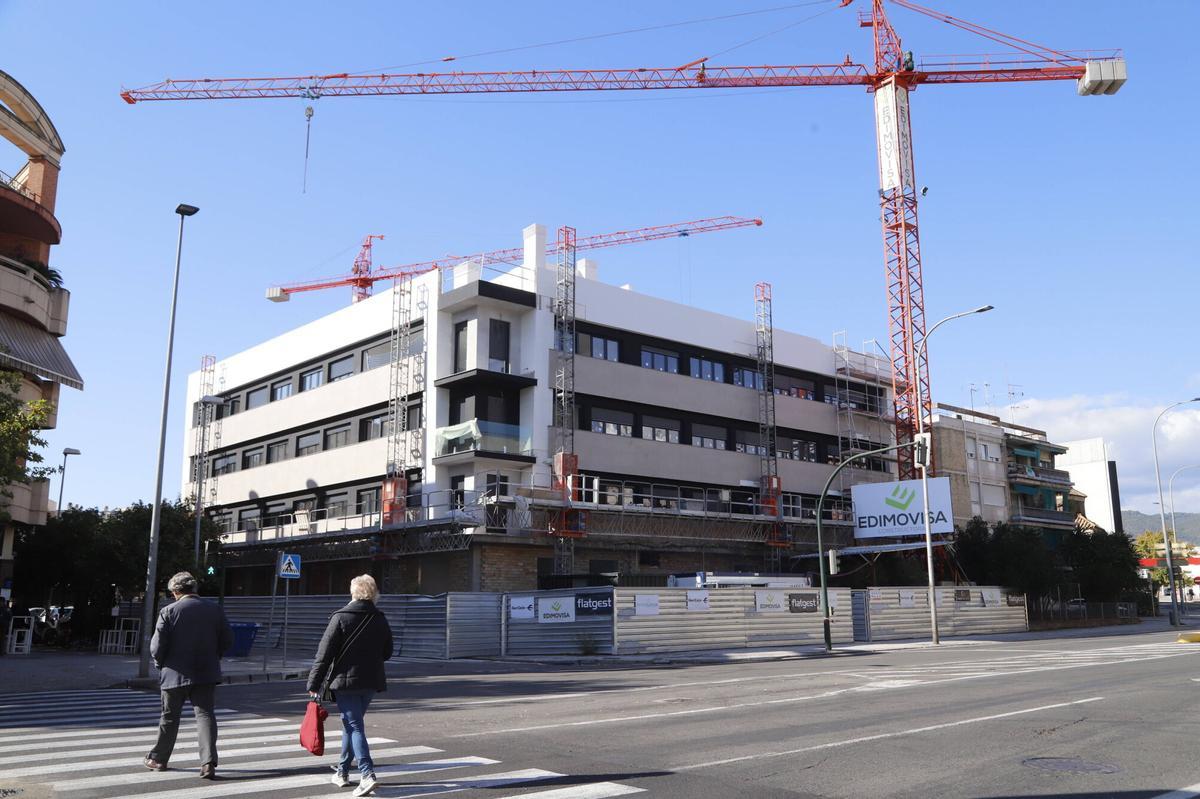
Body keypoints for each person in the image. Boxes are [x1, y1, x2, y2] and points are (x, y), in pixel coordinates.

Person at [307, 574, 393, 797]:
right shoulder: (380, 618)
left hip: (346, 682)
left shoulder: (341, 617)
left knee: (354, 726)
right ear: (373, 593)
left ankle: (367, 775)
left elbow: (324, 654)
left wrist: (313, 683)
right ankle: (343, 772)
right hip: (371, 682)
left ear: (353, 592)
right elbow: (388, 652)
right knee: (351, 725)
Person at [144, 571, 233, 779]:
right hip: (205, 673)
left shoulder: (169, 611)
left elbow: (157, 647)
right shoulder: (215, 610)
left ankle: (158, 759)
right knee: (205, 715)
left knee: (169, 717)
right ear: (194, 589)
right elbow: (228, 640)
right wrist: (214, 656)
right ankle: (208, 762)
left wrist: (160, 664)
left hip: (173, 673)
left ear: (175, 591)